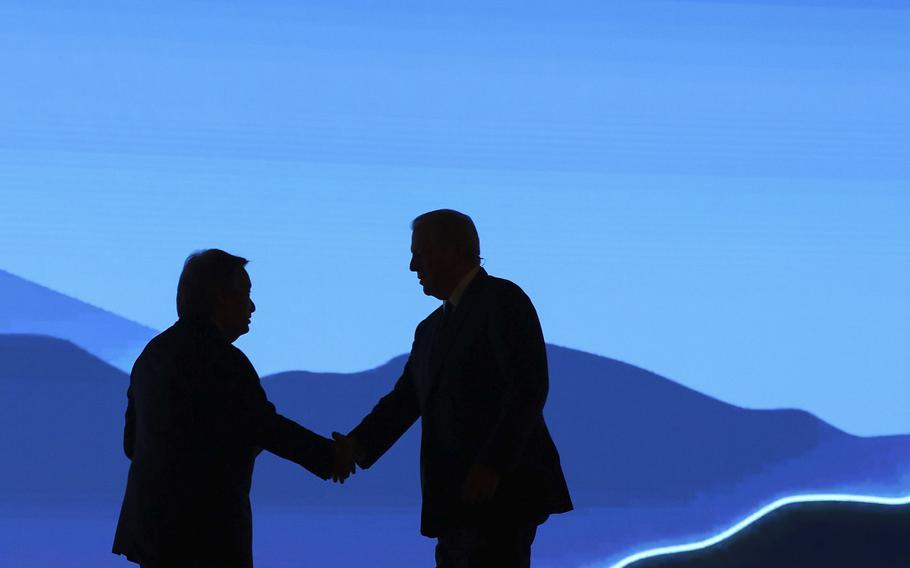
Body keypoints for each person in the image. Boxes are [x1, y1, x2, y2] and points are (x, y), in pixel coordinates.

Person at [333, 209, 572, 567]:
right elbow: (406, 399)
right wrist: (355, 446)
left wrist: (492, 466)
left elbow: (528, 387)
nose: (413, 266)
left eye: (420, 253)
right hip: (456, 500)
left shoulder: (503, 300)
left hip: (501, 497)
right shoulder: (430, 329)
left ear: (454, 250)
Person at [113, 249, 347, 568]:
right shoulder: (222, 360)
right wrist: (330, 456)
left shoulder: (151, 356)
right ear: (221, 297)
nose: (252, 306)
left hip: (151, 532)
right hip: (205, 534)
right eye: (246, 294)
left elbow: (132, 444)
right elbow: (264, 426)